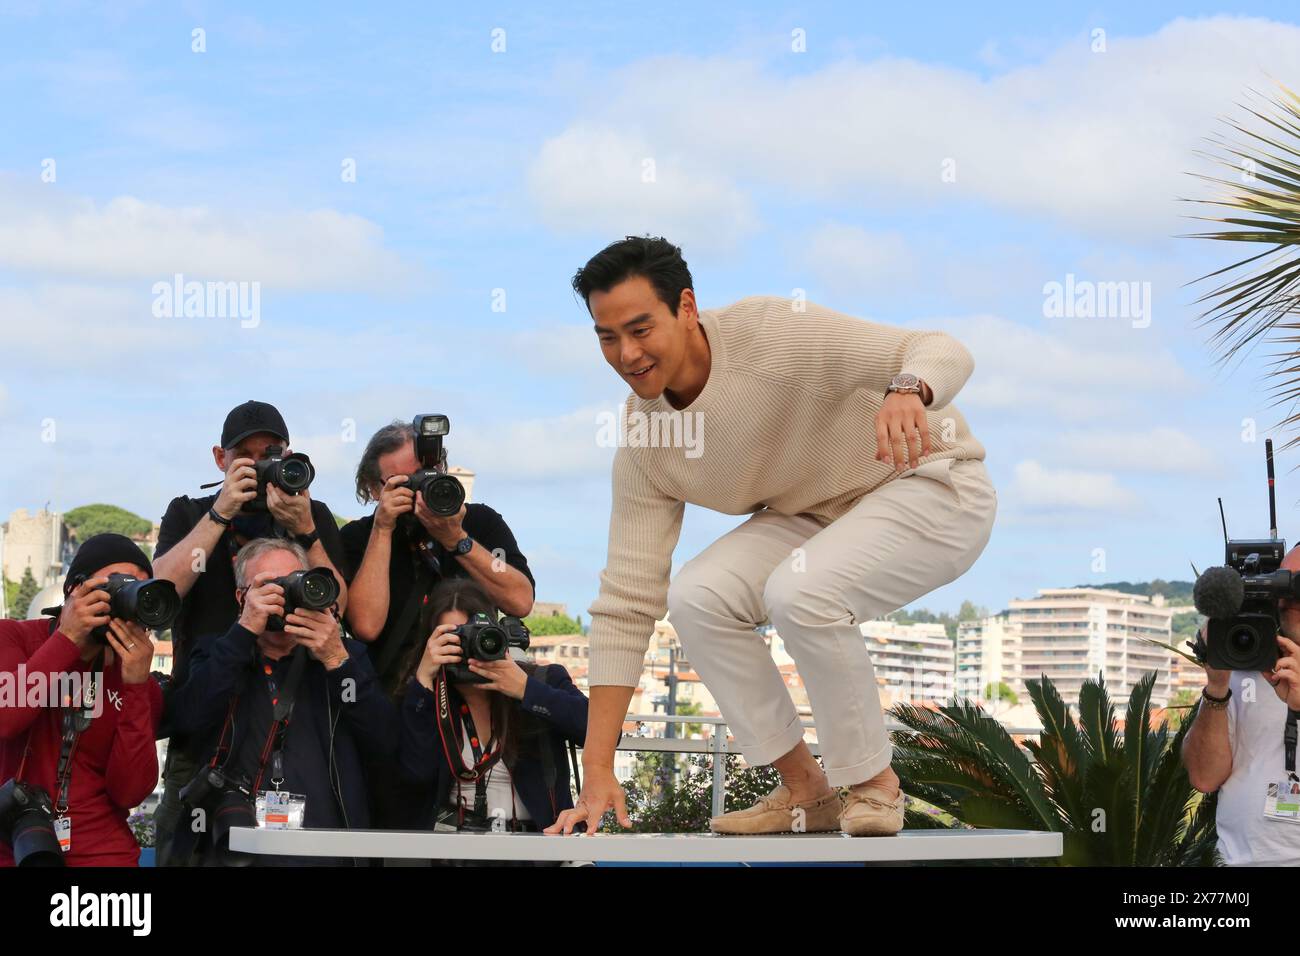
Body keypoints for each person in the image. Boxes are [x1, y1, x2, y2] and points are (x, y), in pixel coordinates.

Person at [549, 236, 997, 838]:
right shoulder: (646, 442)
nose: (627, 354)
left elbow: (940, 349)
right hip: (816, 516)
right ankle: (807, 790)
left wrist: (908, 388)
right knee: (698, 597)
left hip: (930, 482)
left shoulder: (771, 333)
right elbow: (627, 601)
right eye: (608, 337)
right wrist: (598, 770)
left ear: (686, 307)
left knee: (798, 593)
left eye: (640, 328)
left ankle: (873, 785)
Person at [151, 399, 350, 864]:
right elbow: (160, 593)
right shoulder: (190, 512)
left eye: (273, 453)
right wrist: (221, 512)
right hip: (205, 714)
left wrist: (304, 529)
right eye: (248, 455)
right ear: (220, 459)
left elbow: (341, 607)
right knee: (184, 846)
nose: (263, 465)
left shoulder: (310, 513)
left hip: (296, 711)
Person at [342, 419, 536, 829]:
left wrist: (456, 540)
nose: (418, 488)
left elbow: (520, 598)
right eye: (401, 482)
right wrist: (383, 529)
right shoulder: (362, 536)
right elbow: (366, 626)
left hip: (473, 706)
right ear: (375, 489)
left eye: (425, 475)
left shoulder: (479, 523)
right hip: (394, 710)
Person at [165, 538, 395, 866]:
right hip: (234, 849)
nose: (283, 596)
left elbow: (385, 741)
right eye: (269, 586)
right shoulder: (218, 652)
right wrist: (243, 632)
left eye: (293, 583)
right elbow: (188, 718)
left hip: (324, 852)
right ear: (241, 597)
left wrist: (335, 658)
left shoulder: (345, 657)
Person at [0, 534, 163, 866]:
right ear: (75, 589)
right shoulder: (13, 638)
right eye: (118, 586)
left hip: (103, 853)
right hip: (14, 846)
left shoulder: (137, 679)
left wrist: (135, 687)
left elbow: (130, 791)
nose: (127, 601)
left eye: (139, 591)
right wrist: (68, 638)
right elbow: (7, 718)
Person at [398, 578, 587, 856]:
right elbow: (414, 775)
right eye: (453, 640)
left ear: (494, 636)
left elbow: (602, 732)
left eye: (473, 638)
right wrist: (424, 680)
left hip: (536, 851)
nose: (465, 652)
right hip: (450, 854)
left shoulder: (542, 680)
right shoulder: (428, 695)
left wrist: (524, 689)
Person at [1183, 543, 1300, 865]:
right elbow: (1204, 778)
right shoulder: (1246, 661)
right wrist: (1217, 687)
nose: (1290, 601)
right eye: (1285, 586)